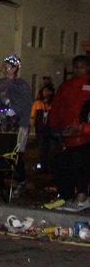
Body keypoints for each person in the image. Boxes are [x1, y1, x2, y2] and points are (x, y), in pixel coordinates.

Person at [48, 55, 90, 212]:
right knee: (60, 163)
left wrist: (80, 128)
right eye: (76, 67)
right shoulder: (66, 86)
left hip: (85, 137)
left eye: (82, 67)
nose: (79, 70)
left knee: (80, 160)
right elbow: (57, 107)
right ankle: (69, 198)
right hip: (70, 135)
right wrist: (55, 127)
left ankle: (82, 196)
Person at [0, 54, 32, 195]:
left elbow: (24, 105)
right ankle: (0, 183)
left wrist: (8, 101)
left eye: (7, 68)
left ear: (15, 69)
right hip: (0, 124)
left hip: (15, 125)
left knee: (15, 154)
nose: (5, 71)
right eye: (3, 68)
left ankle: (20, 181)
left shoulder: (21, 85)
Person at [31, 83, 55, 172]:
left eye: (48, 91)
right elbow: (33, 115)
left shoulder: (54, 103)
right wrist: (32, 125)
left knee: (52, 149)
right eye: (45, 91)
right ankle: (44, 166)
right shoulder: (37, 103)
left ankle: (51, 166)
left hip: (51, 129)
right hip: (41, 129)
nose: (46, 93)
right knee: (42, 148)